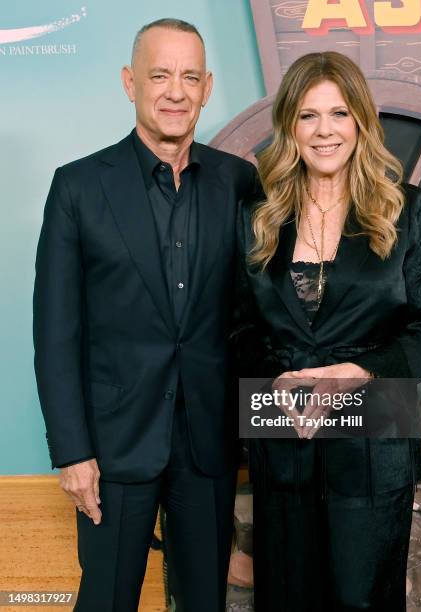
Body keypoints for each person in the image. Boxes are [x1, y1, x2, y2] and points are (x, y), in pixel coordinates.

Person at [33, 18, 257, 612]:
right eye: (160, 75)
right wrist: (71, 452)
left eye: (189, 77)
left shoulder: (239, 183)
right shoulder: (77, 187)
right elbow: (55, 334)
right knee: (106, 600)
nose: (175, 91)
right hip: (112, 449)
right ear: (130, 82)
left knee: (205, 600)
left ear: (208, 87)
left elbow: (256, 312)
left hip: (208, 446)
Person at [234, 52, 421, 611]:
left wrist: (363, 370)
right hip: (282, 435)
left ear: (360, 120)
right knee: (286, 596)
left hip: (374, 436)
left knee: (362, 598)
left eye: (338, 113)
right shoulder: (257, 215)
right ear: (290, 126)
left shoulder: (406, 210)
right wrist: (273, 377)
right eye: (308, 116)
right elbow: (236, 328)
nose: (325, 130)